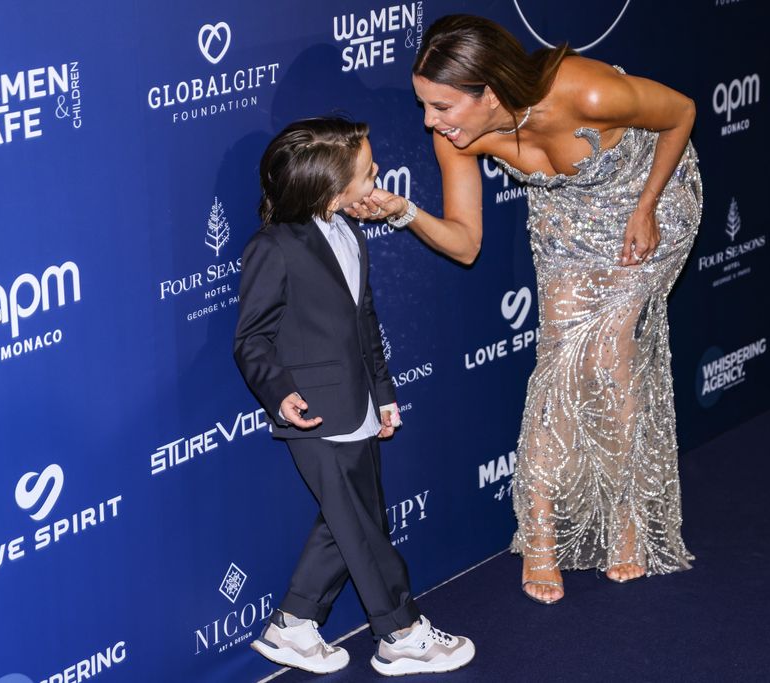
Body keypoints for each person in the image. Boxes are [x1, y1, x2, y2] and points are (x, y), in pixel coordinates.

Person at [354, 15, 701, 604]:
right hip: (567, 220)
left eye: (440, 106)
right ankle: (540, 530)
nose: (429, 122)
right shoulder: (455, 137)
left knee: (610, 356)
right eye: (424, 105)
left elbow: (683, 112)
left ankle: (624, 520)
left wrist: (645, 208)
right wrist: (404, 212)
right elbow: (466, 244)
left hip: (650, 199)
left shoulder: (587, 91)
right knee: (559, 364)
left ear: (487, 93)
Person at [234, 117, 475, 675]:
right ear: (329, 185)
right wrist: (280, 392)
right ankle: (399, 633)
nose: (377, 178)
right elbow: (251, 338)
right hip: (314, 413)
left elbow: (364, 323)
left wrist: (384, 393)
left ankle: (293, 626)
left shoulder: (350, 233)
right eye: (367, 173)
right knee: (362, 528)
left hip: (357, 404)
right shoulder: (275, 246)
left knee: (353, 521)